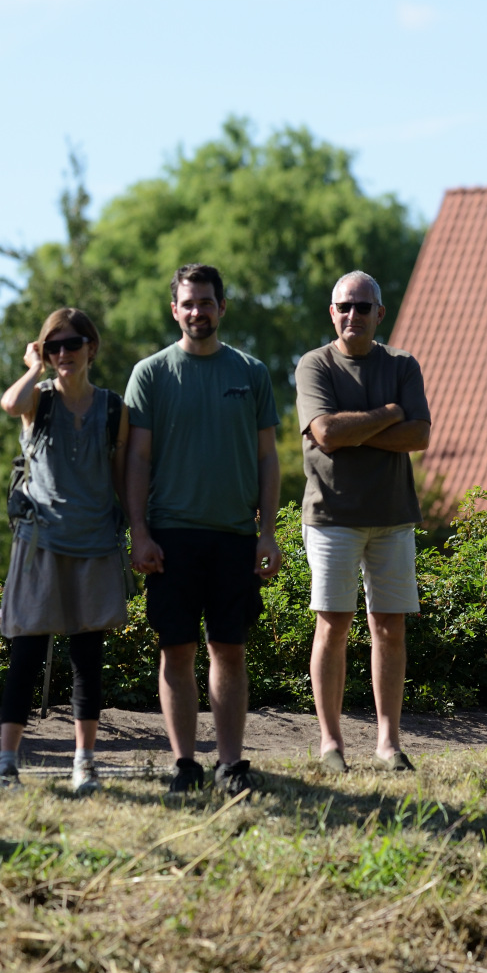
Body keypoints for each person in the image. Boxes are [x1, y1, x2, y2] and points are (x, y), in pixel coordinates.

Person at [125, 263, 283, 795]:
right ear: (175, 309)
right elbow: (137, 460)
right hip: (171, 536)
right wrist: (139, 532)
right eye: (188, 303)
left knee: (229, 649)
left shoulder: (251, 372)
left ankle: (232, 765)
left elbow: (268, 459)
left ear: (222, 307)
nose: (198, 311)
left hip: (235, 535)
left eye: (207, 302)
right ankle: (185, 764)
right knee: (176, 650)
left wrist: (268, 532)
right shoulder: (150, 374)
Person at [296, 270, 431, 774]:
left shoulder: (402, 363)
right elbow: (326, 432)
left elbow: (418, 436)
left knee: (389, 629)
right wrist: (389, 413)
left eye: (362, 306)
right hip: (332, 516)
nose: (353, 315)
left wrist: (358, 428)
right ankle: (331, 745)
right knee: (332, 625)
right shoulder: (314, 365)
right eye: (343, 307)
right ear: (332, 313)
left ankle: (388, 743)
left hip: (392, 516)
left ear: (380, 312)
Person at [0, 308, 130, 794]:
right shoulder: (39, 400)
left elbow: (119, 477)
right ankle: (7, 762)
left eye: (72, 344)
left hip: (94, 542)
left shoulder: (114, 407)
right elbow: (11, 405)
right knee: (27, 655)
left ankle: (84, 763)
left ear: (91, 347)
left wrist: (138, 532)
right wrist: (33, 367)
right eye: (54, 347)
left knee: (85, 657)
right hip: (41, 543)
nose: (64, 354)